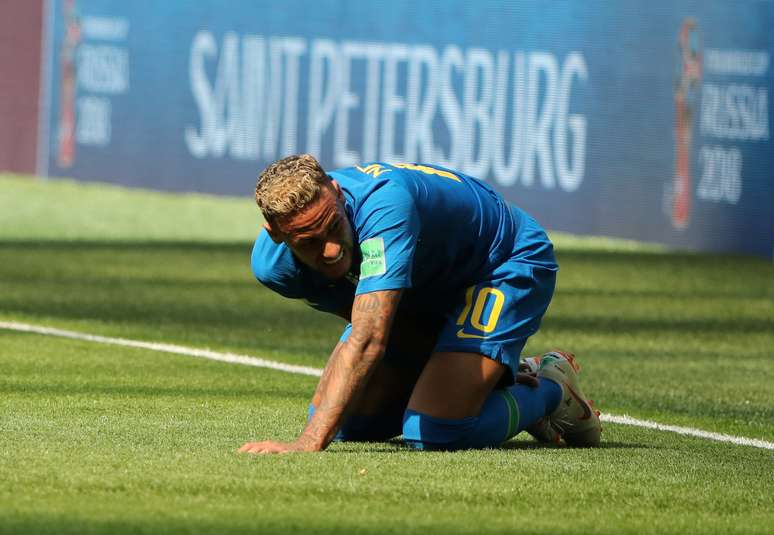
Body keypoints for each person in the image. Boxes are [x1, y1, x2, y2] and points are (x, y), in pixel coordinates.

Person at [238, 154, 601, 454]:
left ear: (336, 192)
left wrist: (308, 442)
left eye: (333, 226)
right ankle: (485, 378)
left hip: (502, 261)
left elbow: (368, 338)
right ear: (276, 233)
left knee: (435, 432)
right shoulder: (277, 269)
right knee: (348, 422)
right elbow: (389, 325)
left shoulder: (385, 207)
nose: (330, 250)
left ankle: (551, 390)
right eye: (309, 242)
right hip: (430, 284)